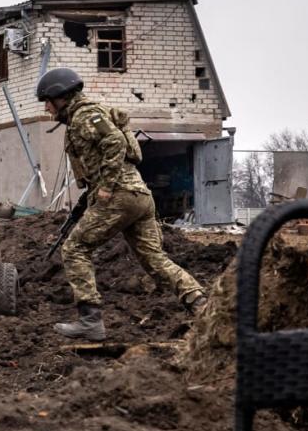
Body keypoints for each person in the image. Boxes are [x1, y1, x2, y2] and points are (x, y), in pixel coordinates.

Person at [36, 68, 208, 341]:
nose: (46, 107)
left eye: (48, 100)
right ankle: (201, 304)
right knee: (155, 259)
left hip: (120, 196)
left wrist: (105, 186)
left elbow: (115, 142)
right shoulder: (91, 114)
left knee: (75, 248)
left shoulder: (83, 116)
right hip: (140, 196)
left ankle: (90, 320)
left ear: (62, 96)